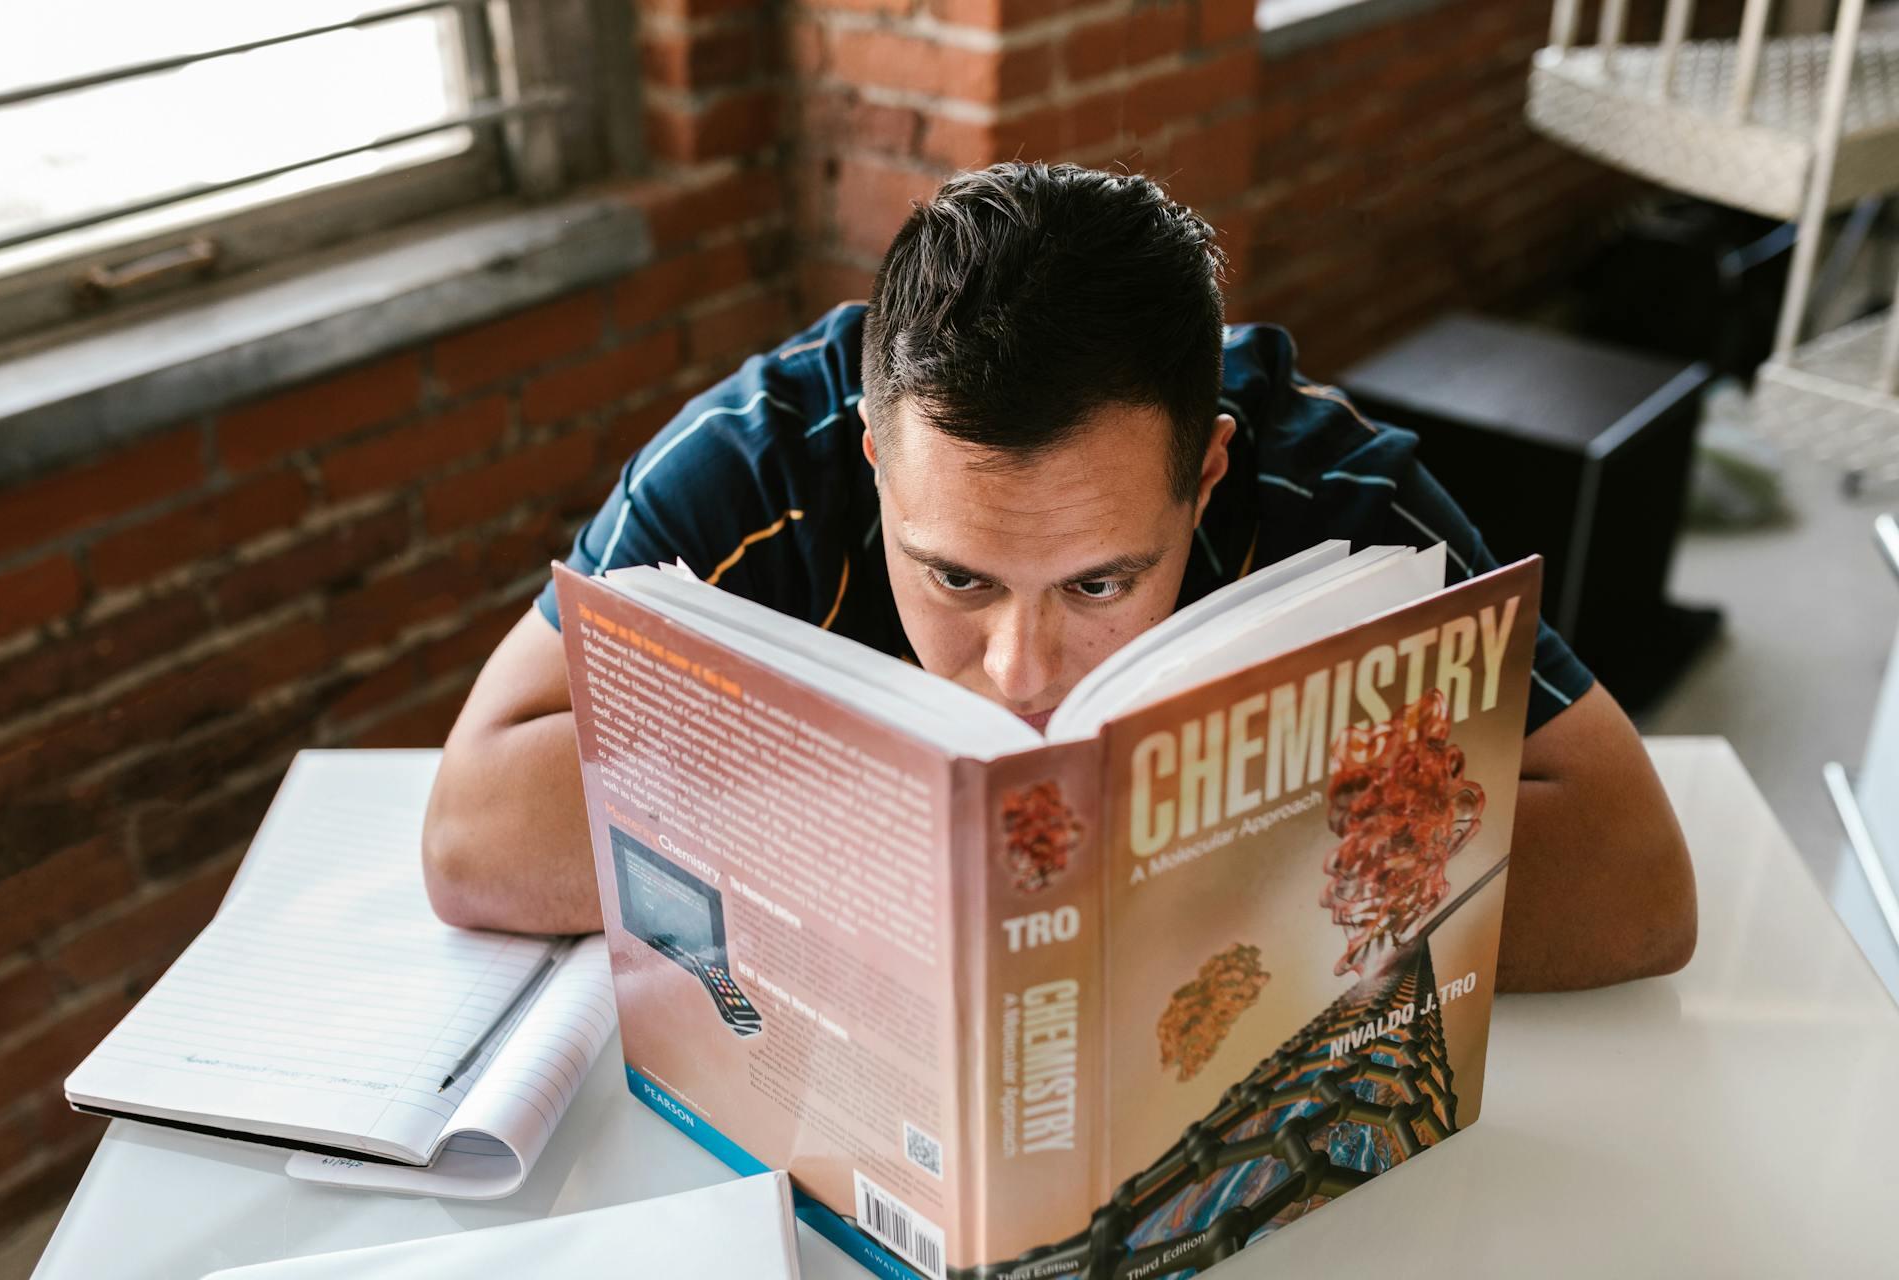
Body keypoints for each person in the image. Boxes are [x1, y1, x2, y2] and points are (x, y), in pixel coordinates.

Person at [422, 161, 1696, 992]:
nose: (1019, 674)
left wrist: (1187, 884)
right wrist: (894, 824)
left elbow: (1640, 886)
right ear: (874, 455)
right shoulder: (752, 466)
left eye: (1098, 584)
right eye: (958, 579)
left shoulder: (1336, 495)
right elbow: (474, 833)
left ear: (1205, 475)